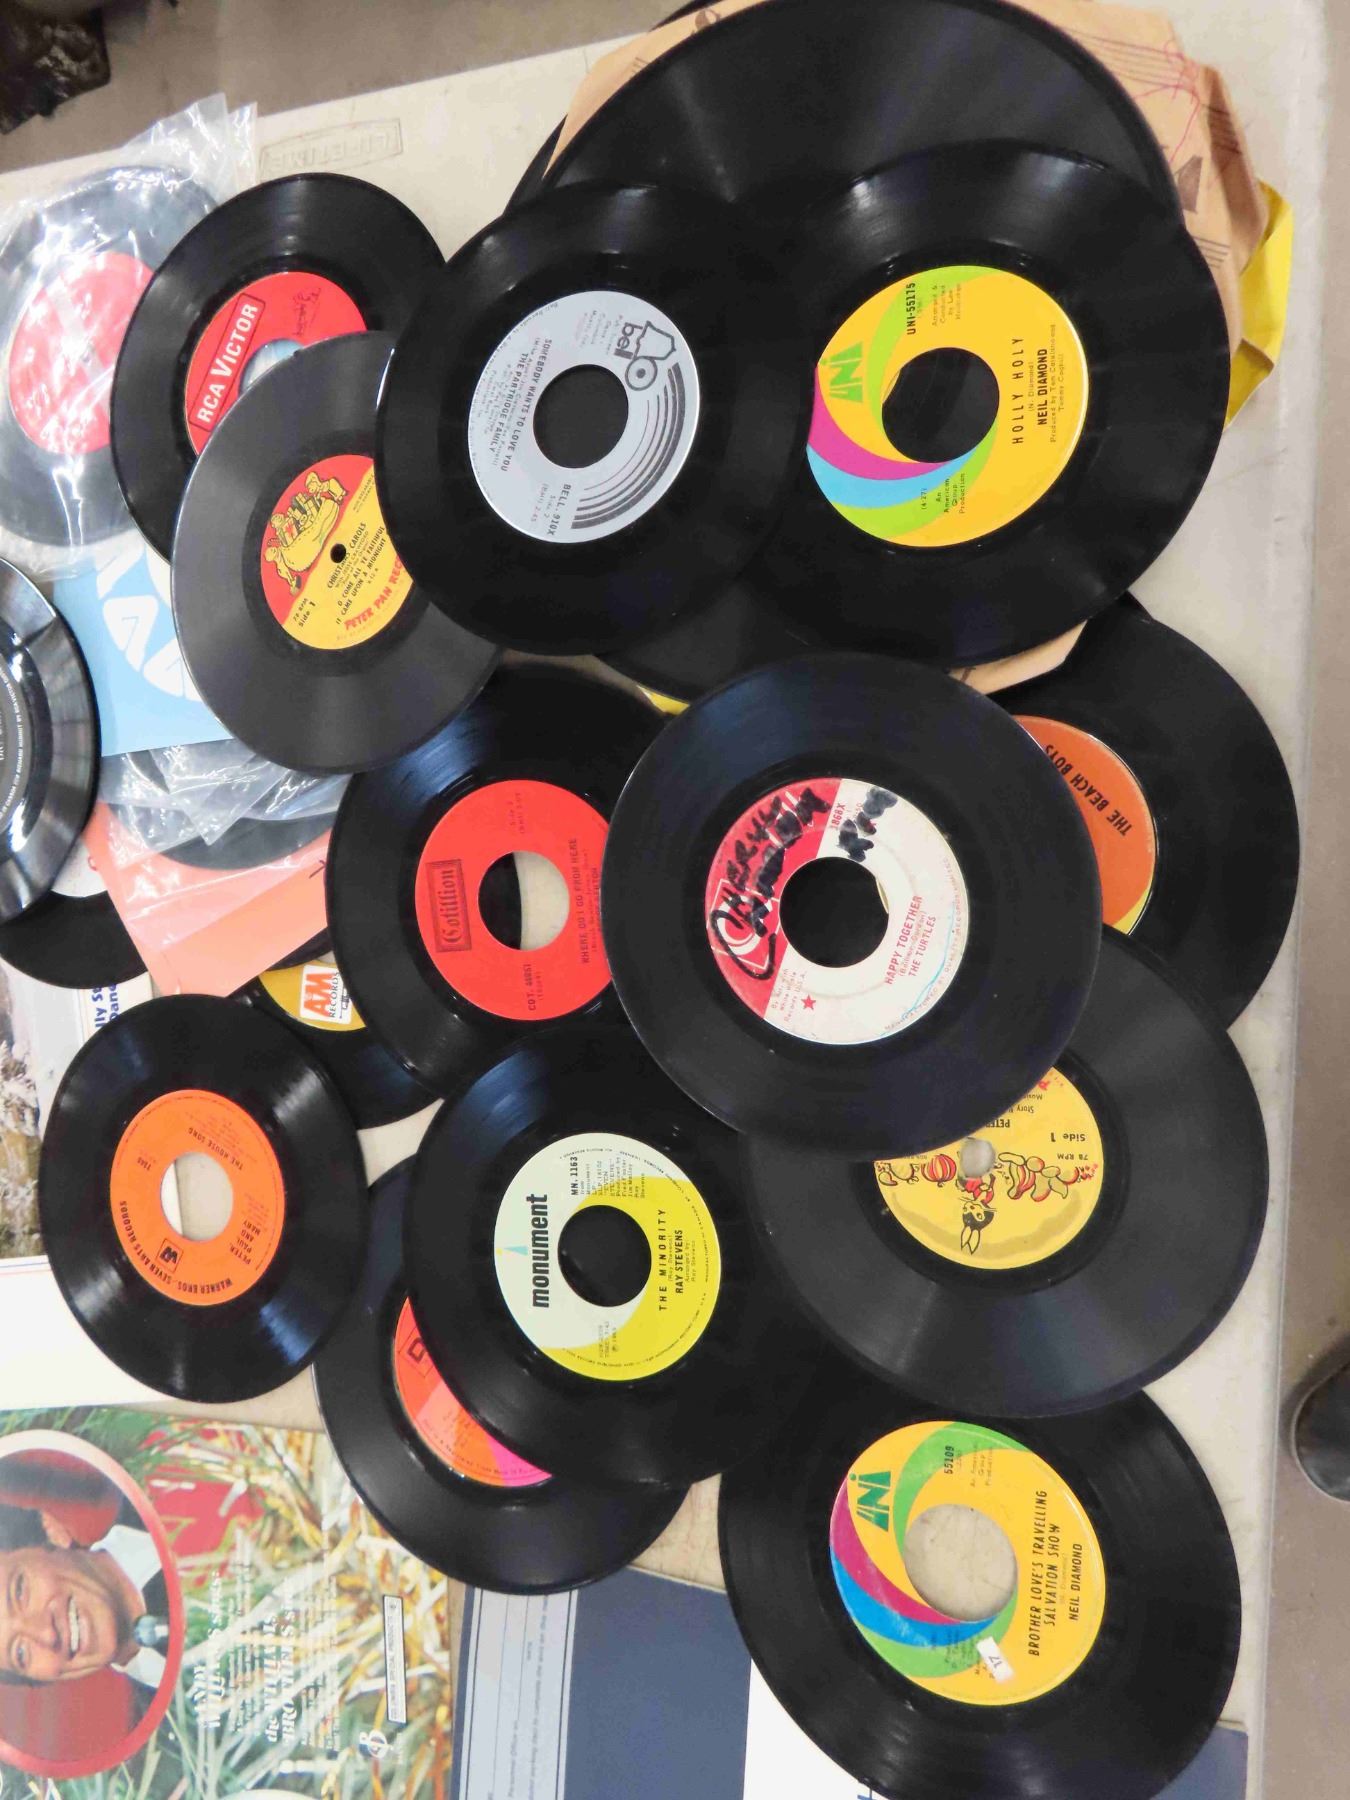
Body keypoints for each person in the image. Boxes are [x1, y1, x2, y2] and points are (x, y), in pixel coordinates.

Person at [0, 1494, 169, 1690]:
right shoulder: (162, 1707)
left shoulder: (161, 1493)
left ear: (52, 1533)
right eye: (20, 1653)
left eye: (19, 1592)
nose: (47, 1634)